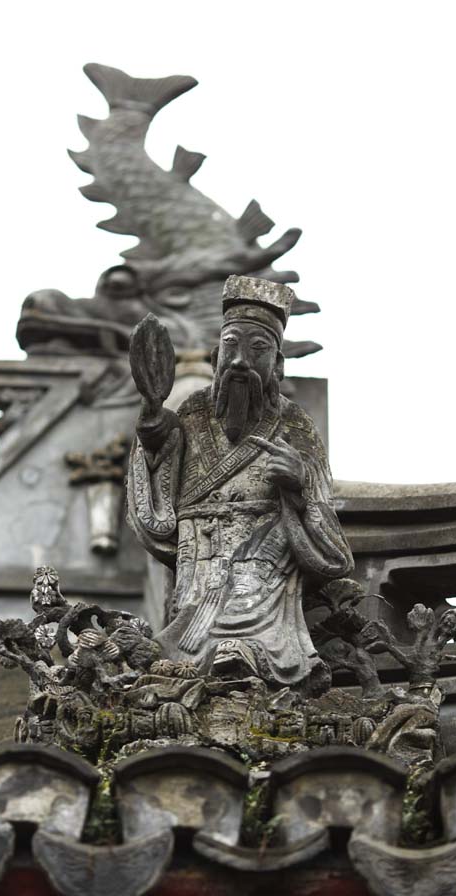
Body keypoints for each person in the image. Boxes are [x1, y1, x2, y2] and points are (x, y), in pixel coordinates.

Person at [127, 275, 353, 691]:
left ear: (279, 365)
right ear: (215, 356)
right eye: (231, 347)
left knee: (246, 623)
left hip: (263, 564)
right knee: (180, 639)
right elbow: (160, 486)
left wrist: (297, 485)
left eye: (258, 350)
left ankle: (252, 650)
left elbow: (334, 550)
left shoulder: (295, 423)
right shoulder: (192, 414)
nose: (240, 362)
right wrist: (154, 433)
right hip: (200, 560)